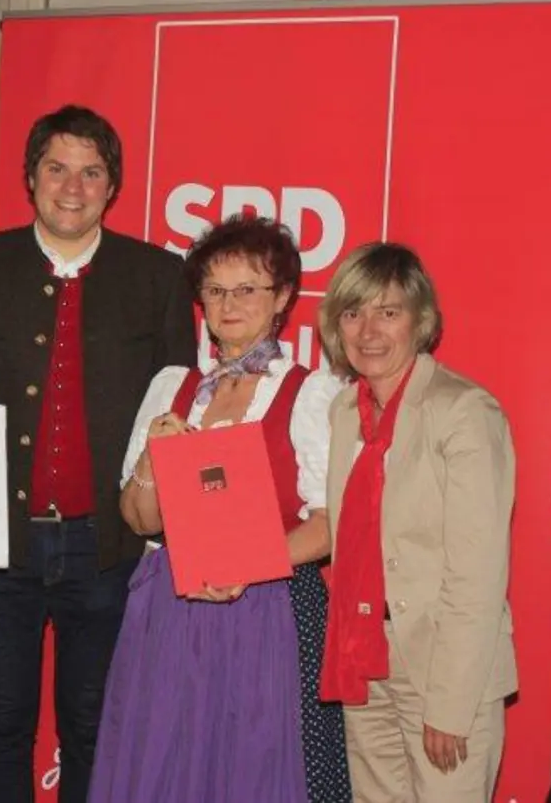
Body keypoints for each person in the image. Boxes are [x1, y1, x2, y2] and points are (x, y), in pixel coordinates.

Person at [0, 104, 196, 802]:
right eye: (57, 168)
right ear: (30, 178)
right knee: (3, 727)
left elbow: (180, 413)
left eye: (91, 172)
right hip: (1, 547)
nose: (73, 187)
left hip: (105, 549)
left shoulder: (158, 276)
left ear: (112, 187)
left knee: (93, 727)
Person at [90, 215, 351, 802]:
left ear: (282, 297)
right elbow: (140, 521)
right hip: (169, 606)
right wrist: (152, 463)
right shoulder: (172, 386)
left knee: (254, 768)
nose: (229, 304)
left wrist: (247, 562)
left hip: (266, 611)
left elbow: (330, 525)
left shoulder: (309, 392)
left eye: (247, 289)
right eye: (215, 290)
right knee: (162, 765)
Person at [317, 242, 517, 802]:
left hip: (441, 668)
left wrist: (450, 705)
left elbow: (477, 576)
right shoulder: (342, 413)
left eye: (389, 311)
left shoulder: (463, 411)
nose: (369, 331)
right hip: (365, 654)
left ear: (420, 320)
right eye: (353, 313)